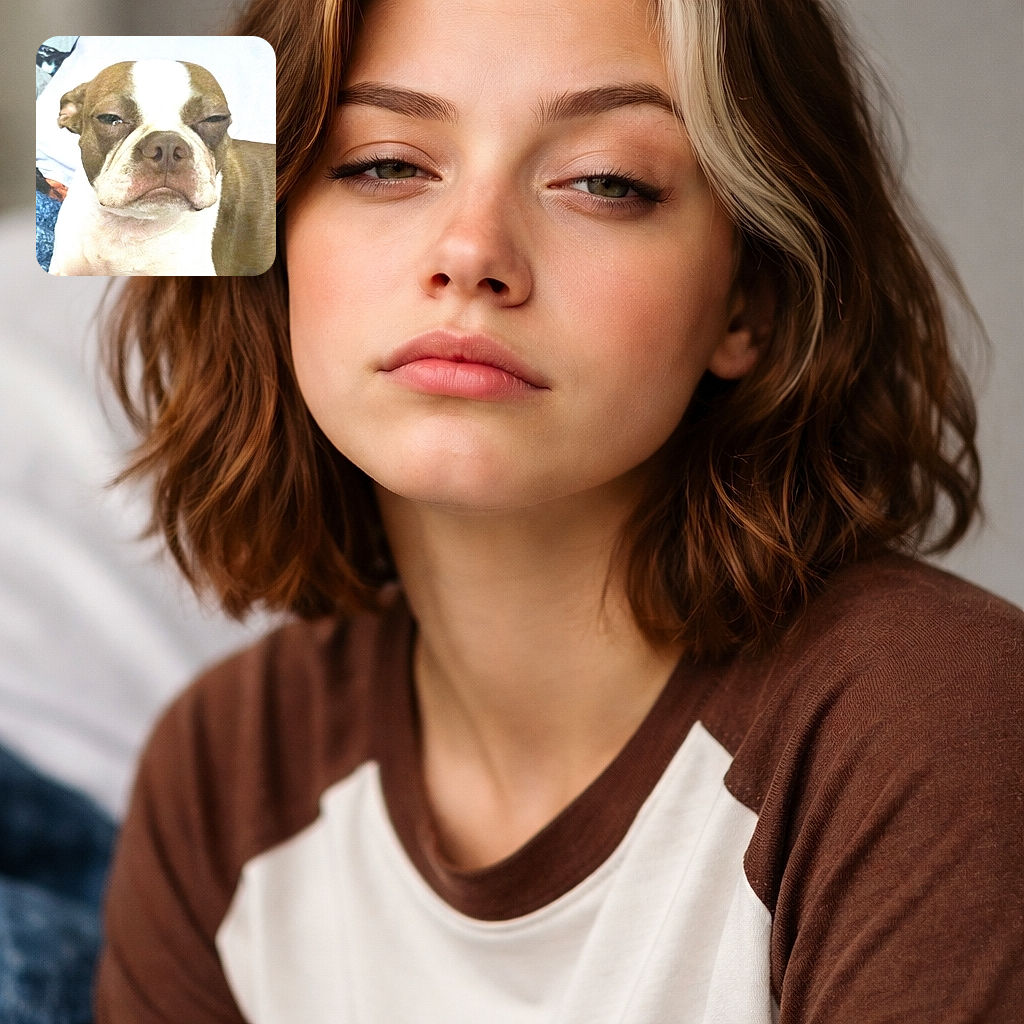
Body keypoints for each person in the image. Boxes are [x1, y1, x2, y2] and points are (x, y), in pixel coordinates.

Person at [94, 0, 1024, 1020]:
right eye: (384, 163)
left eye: (605, 181)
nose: (471, 251)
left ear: (751, 299)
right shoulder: (221, 769)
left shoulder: (938, 721)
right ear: (260, 241)